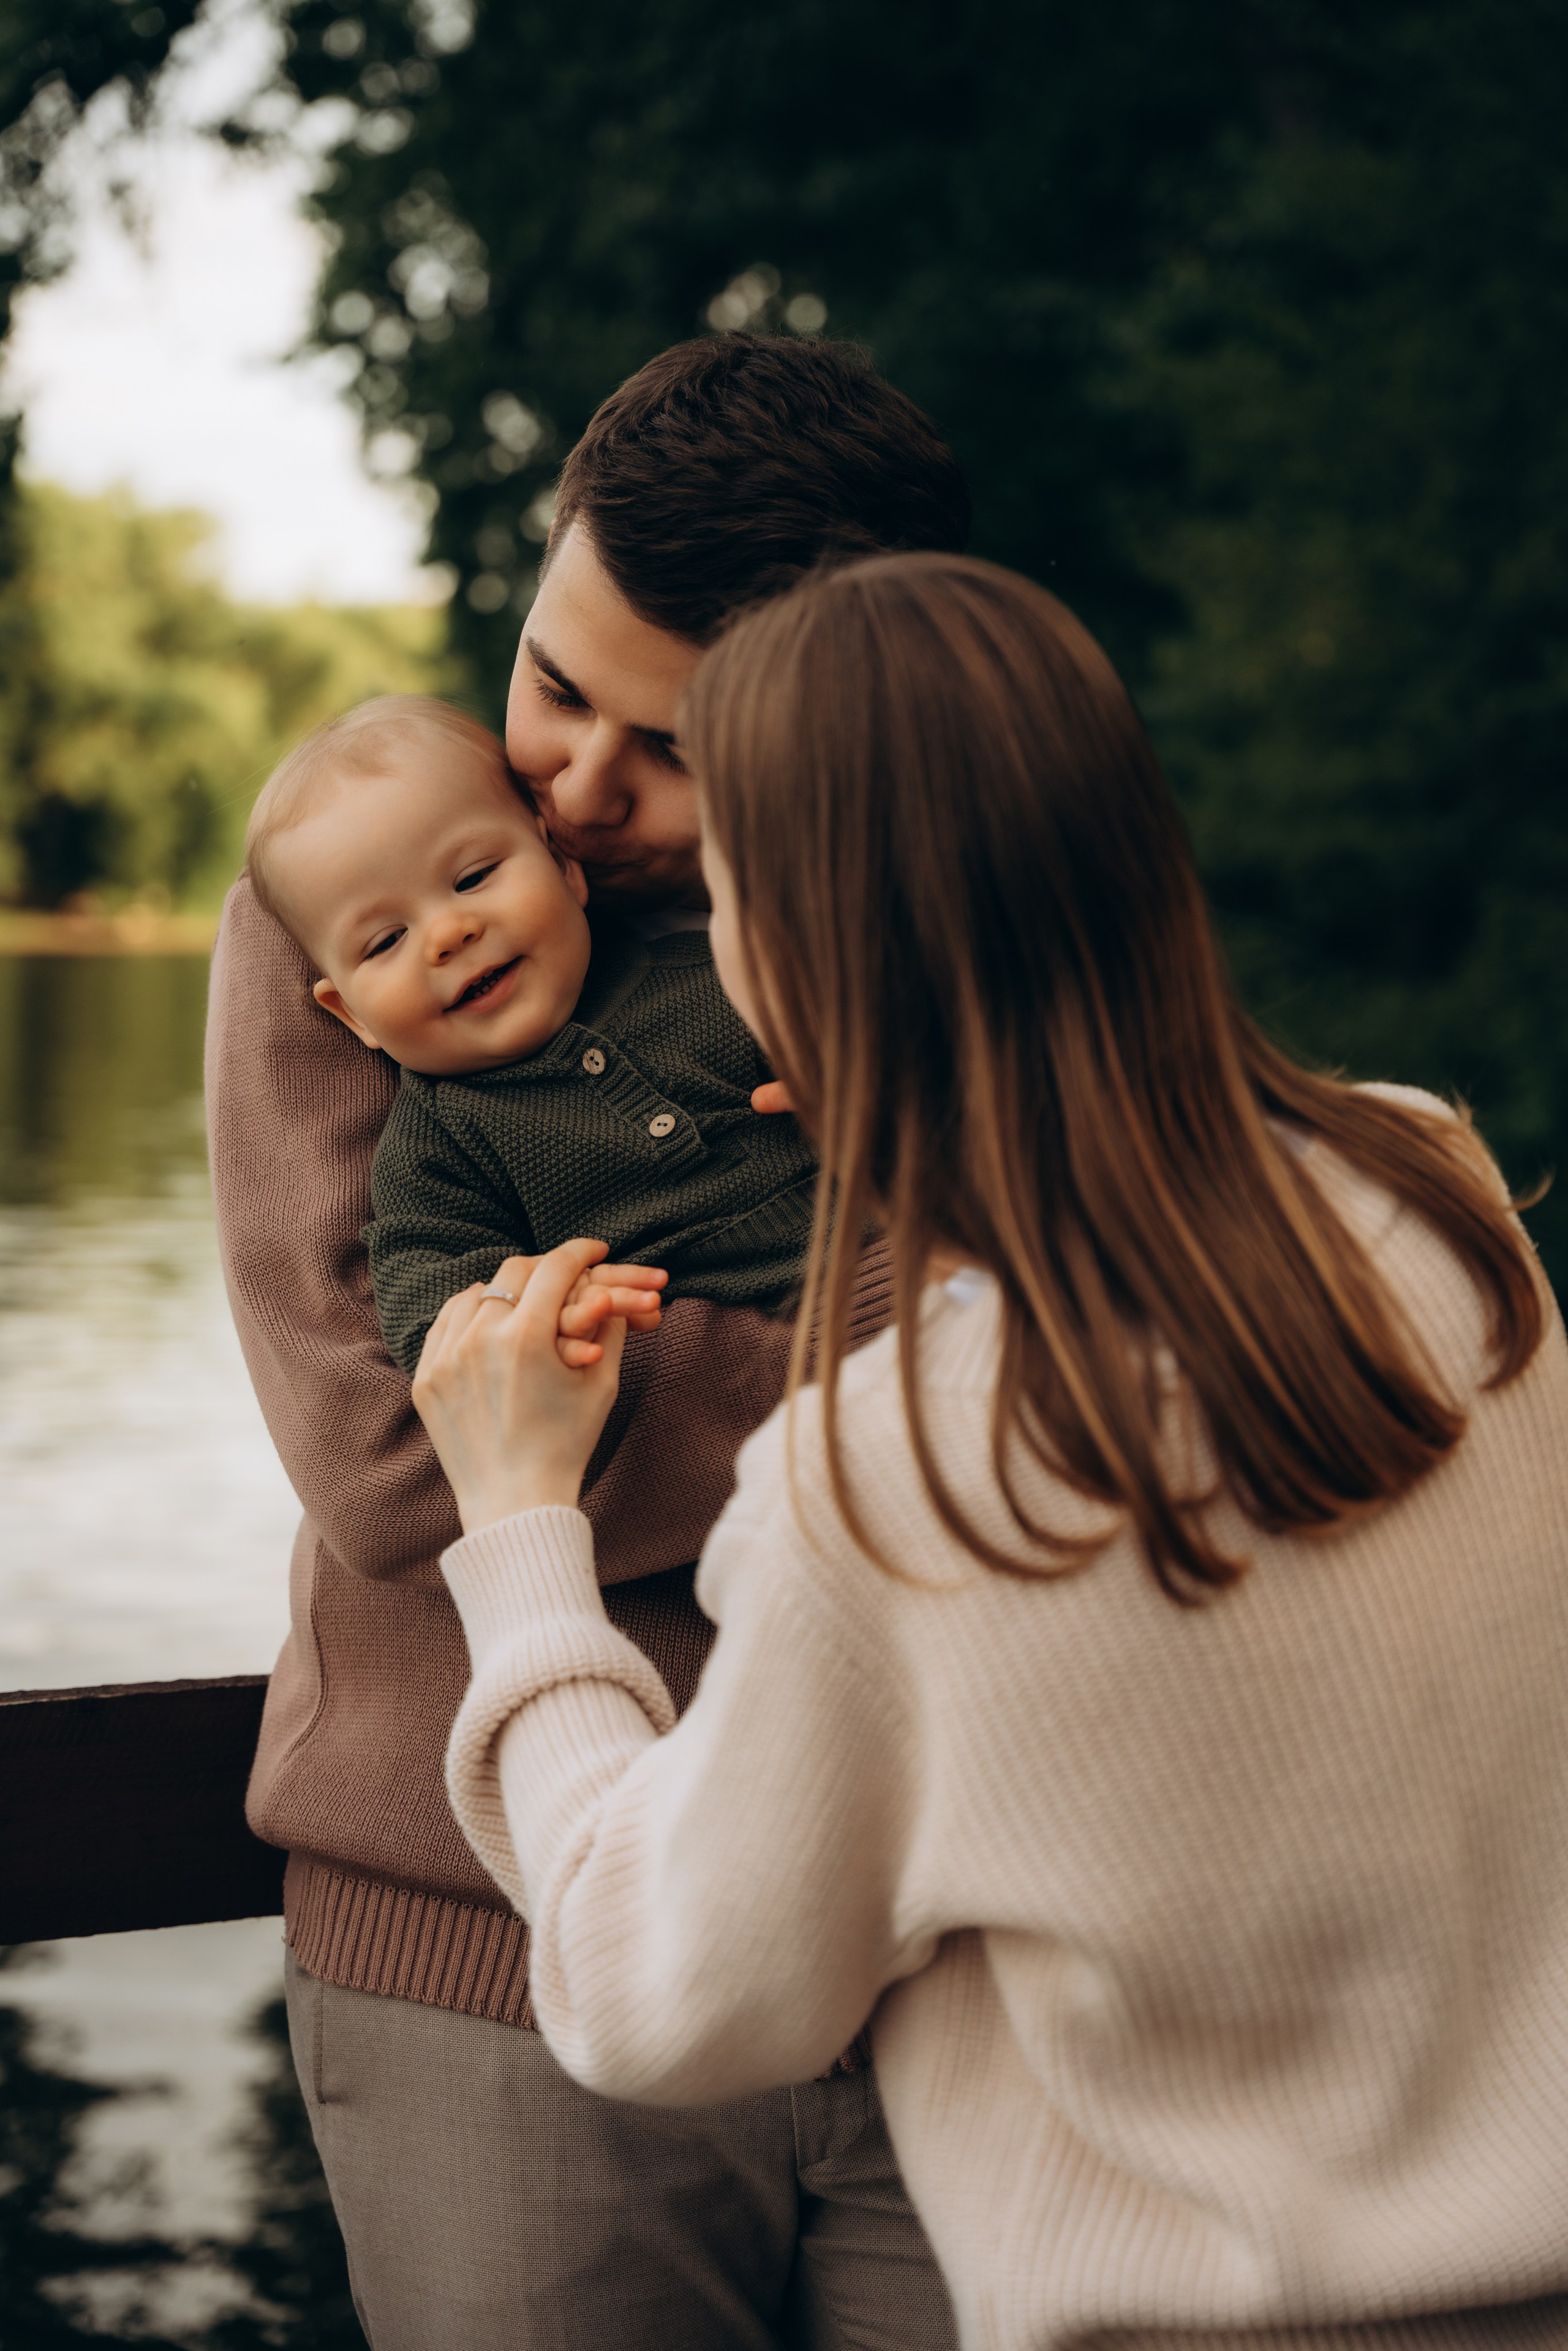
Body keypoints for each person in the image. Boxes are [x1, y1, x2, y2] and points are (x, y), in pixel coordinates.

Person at [413, 553, 1568, 2351]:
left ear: (781, 947)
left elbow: (650, 1987)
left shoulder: (884, 1481)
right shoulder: (1431, 1193)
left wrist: (515, 1527)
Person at [205, 334, 966, 2349]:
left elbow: (1093, 1368)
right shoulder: (361, 900)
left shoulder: (928, 904)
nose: (571, 789)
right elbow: (400, 1463)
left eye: (675, 749)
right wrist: (887, 1324)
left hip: (924, 1926)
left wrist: (621, 1394)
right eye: (555, 684)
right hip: (490, 1957)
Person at [241, 693, 812, 1373]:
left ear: (562, 867)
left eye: (473, 877)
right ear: (353, 1015)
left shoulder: (720, 975)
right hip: (695, 1355)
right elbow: (428, 1312)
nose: (449, 934)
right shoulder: (441, 1145)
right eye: (387, 940)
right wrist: (540, 1314)